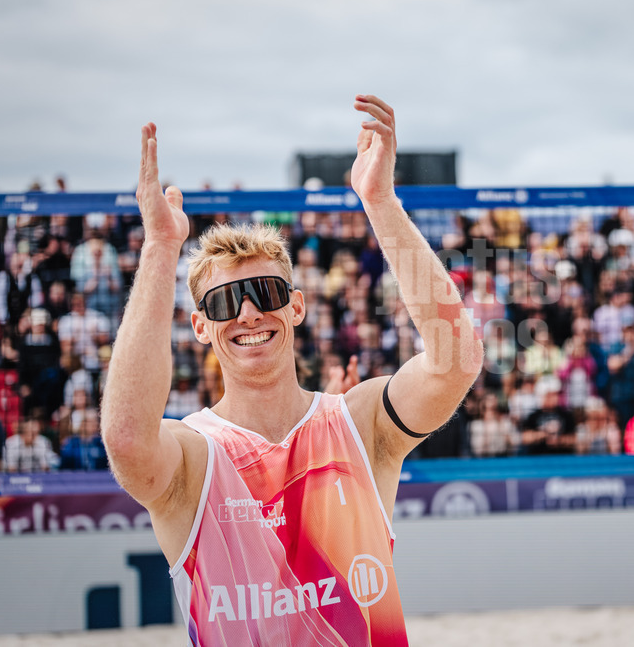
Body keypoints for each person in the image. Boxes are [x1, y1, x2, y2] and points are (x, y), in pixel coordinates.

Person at [101, 96, 483, 644]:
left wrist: (380, 202)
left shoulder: (358, 424)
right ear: (201, 326)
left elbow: (457, 362)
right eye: (224, 302)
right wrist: (161, 248)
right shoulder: (195, 457)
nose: (248, 313)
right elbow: (125, 439)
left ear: (296, 306)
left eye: (265, 292)